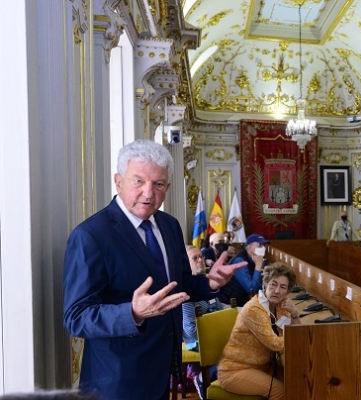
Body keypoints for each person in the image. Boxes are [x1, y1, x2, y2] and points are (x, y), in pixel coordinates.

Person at [63, 140, 245, 400]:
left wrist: (210, 284)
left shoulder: (169, 226)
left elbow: (177, 285)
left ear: (167, 188)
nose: (149, 193)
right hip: (117, 381)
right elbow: (76, 317)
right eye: (138, 181)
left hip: (163, 372)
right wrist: (132, 312)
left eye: (158, 184)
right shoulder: (91, 236)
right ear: (118, 181)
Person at [217, 263, 301, 400]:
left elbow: (297, 334)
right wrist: (292, 337)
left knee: (297, 384)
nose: (277, 291)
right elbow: (275, 344)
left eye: (283, 287)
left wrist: (295, 315)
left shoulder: (281, 306)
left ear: (288, 291)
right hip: (234, 370)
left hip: (262, 367)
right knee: (281, 392)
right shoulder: (255, 309)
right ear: (266, 283)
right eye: (273, 284)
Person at [181, 246, 224, 398]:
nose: (200, 260)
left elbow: (219, 311)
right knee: (235, 349)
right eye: (195, 258)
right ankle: (201, 379)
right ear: (185, 264)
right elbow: (190, 331)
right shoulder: (185, 292)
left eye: (201, 256)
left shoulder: (207, 284)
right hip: (194, 341)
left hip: (212, 335)